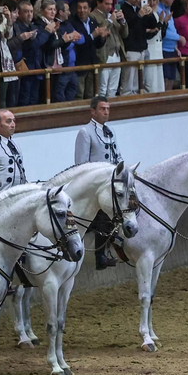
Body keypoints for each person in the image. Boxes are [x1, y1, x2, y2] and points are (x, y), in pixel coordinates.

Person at [74, 96, 123, 268]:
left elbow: (117, 156)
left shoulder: (110, 132)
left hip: (112, 182)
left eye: (108, 109)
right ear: (93, 111)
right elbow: (81, 164)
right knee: (105, 209)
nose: (106, 112)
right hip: (96, 185)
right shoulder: (85, 132)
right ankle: (100, 255)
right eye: (103, 109)